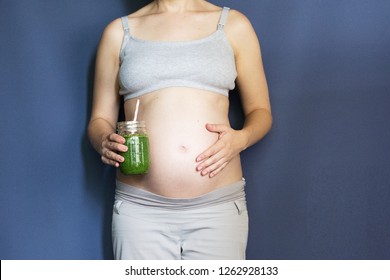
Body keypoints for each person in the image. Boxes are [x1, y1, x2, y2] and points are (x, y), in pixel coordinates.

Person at [88, 0, 272, 260]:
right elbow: (99, 119)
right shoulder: (119, 32)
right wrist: (103, 141)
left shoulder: (233, 25)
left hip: (217, 208)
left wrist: (241, 139)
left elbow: (261, 112)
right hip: (140, 209)